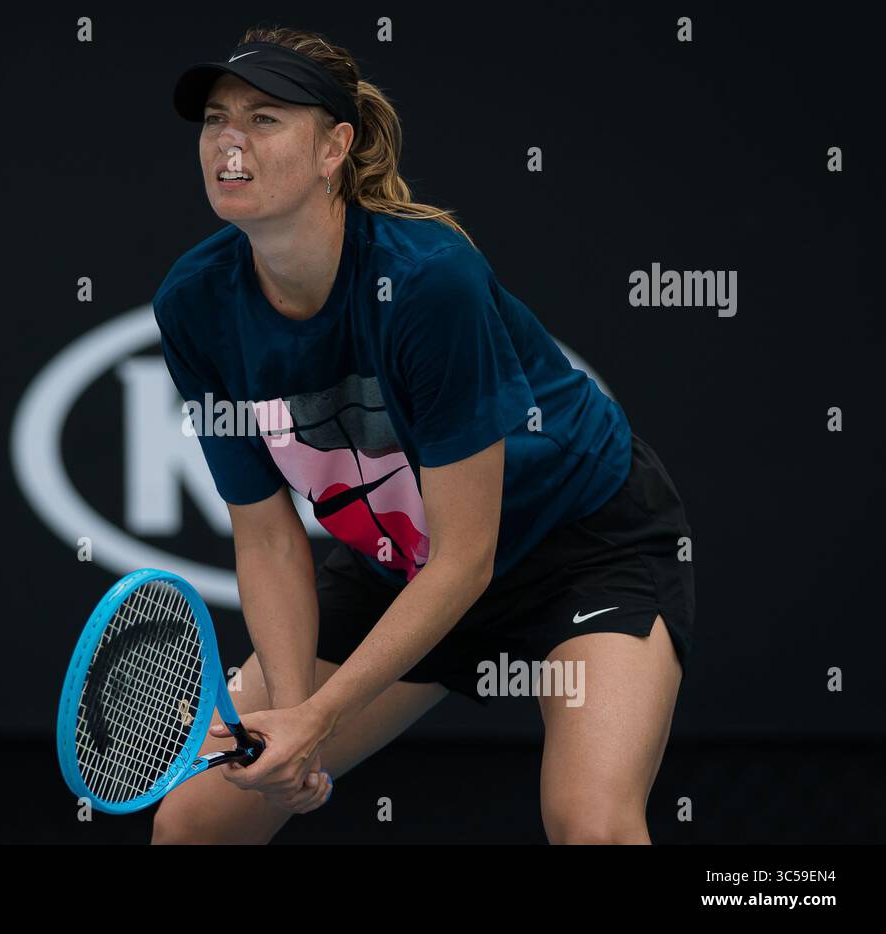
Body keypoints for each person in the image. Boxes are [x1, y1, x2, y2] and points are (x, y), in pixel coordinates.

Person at [150, 26, 695, 844]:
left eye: (264, 119)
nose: (230, 140)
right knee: (196, 823)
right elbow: (265, 538)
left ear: (335, 147)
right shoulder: (194, 304)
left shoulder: (427, 282)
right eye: (216, 119)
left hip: (577, 550)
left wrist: (321, 718)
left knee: (592, 826)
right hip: (402, 566)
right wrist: (294, 719)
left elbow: (467, 556)